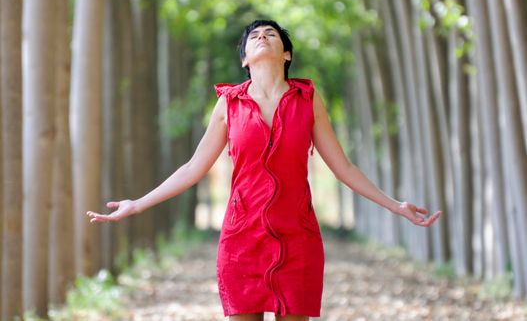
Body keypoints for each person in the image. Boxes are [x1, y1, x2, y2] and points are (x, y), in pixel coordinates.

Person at [87, 19, 441, 321]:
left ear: (286, 54)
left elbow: (343, 167)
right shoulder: (228, 104)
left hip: (297, 235)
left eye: (271, 34)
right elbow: (194, 167)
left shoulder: (308, 100)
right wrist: (137, 204)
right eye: (254, 36)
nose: (262, 36)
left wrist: (395, 205)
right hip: (242, 238)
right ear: (244, 59)